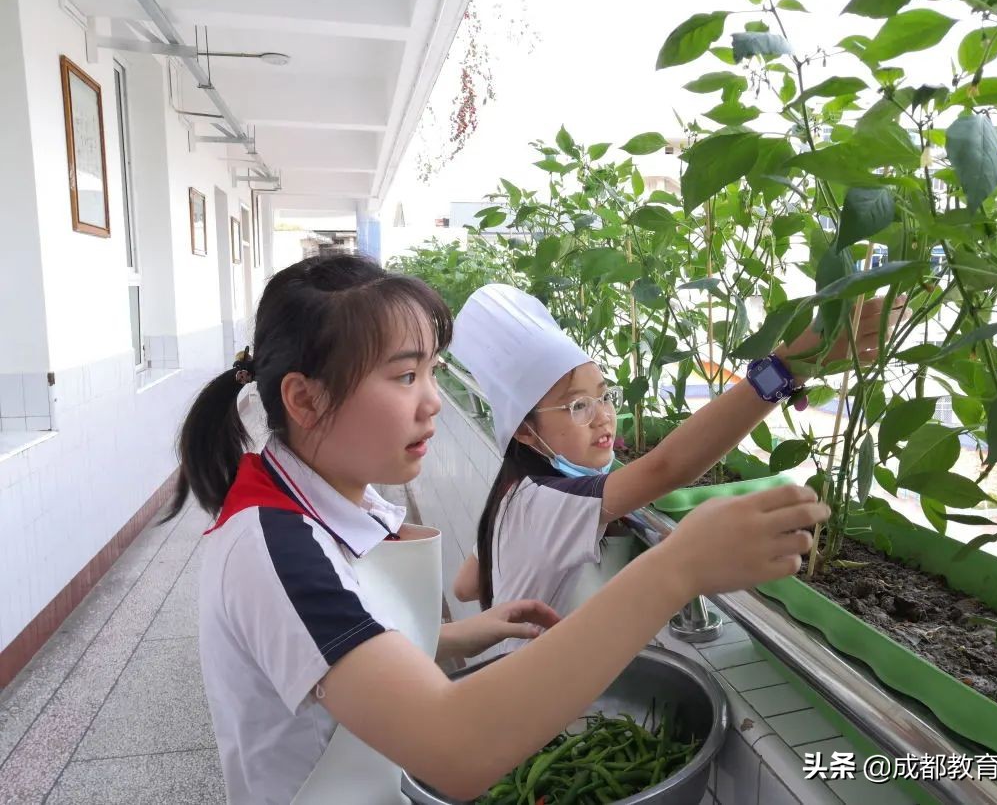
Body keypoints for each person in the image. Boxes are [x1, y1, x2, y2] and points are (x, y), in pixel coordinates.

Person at [170, 254, 827, 805]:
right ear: (304, 399)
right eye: (404, 375)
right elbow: (456, 748)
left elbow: (333, 645)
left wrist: (456, 634)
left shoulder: (336, 500)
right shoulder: (275, 549)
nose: (432, 398)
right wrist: (679, 565)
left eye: (432, 371)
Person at [451, 284, 904, 636]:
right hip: (529, 702)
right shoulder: (547, 502)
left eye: (603, 396)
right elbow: (666, 468)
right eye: (577, 407)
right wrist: (784, 369)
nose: (603, 417)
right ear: (527, 431)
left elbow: (466, 586)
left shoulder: (514, 491)